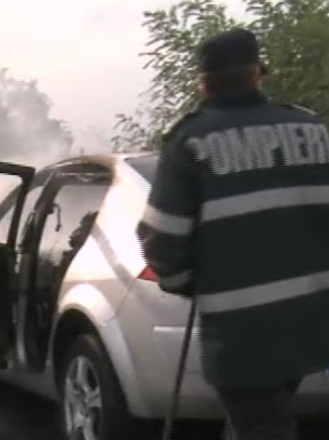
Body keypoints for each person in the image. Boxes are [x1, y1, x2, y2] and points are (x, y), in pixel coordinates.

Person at [136, 28, 329, 440]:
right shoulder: (313, 130)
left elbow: (161, 239)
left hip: (243, 332)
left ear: (203, 84)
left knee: (260, 425)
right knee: (256, 420)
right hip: (311, 321)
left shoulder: (191, 141)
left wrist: (184, 283)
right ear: (258, 75)